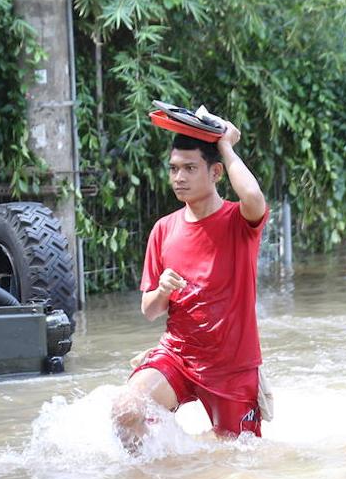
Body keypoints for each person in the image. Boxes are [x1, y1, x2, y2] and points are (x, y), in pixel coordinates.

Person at [113, 118, 268, 448]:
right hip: (178, 357)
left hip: (233, 367)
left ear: (215, 172)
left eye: (190, 168)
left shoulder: (238, 221)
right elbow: (150, 310)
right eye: (173, 169)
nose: (179, 178)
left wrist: (226, 144)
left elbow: (253, 194)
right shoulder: (163, 230)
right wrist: (162, 290)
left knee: (235, 456)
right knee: (125, 410)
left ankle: (197, 455)